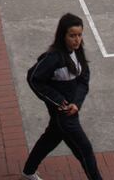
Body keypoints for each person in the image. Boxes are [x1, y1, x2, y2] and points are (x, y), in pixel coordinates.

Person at [23, 13, 103, 180]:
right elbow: (34, 78)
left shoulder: (78, 51)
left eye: (80, 35)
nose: (77, 40)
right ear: (63, 35)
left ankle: (28, 172)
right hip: (63, 113)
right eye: (72, 35)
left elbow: (83, 79)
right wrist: (58, 100)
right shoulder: (54, 58)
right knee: (84, 150)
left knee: (51, 139)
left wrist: (77, 103)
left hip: (71, 109)